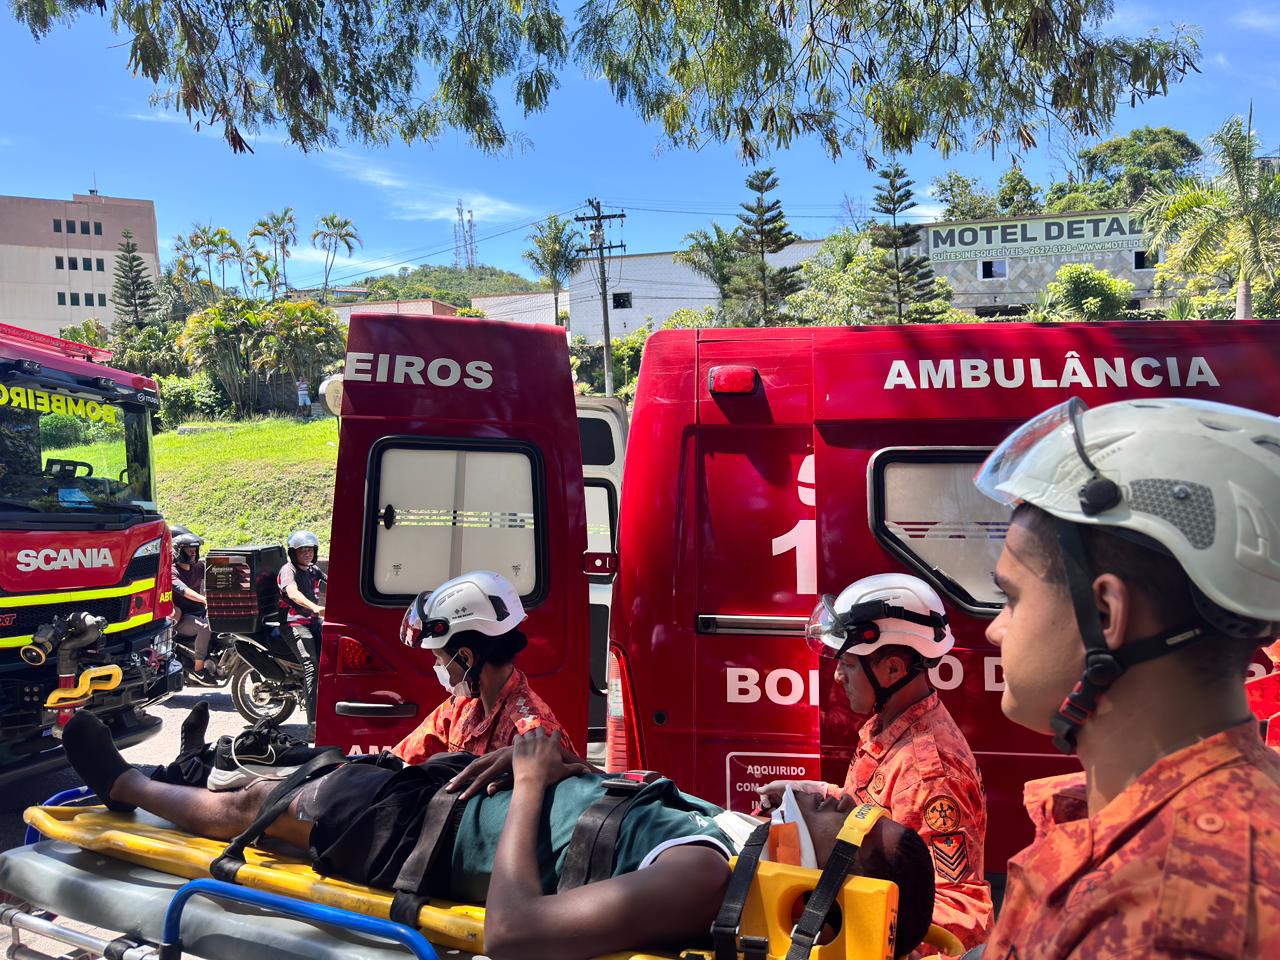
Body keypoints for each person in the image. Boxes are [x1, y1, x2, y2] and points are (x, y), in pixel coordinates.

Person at [62, 714, 938, 960]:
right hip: (451, 804)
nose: (822, 797)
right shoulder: (732, 845)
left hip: (422, 840)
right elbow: (605, 821)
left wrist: (526, 787)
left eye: (835, 810)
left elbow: (515, 935)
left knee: (254, 809)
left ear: (836, 863)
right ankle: (172, 780)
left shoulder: (707, 879)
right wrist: (548, 774)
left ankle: (123, 785)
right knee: (278, 782)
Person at [975, 397, 1280, 959]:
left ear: (1107, 615)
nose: (996, 631)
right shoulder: (1148, 823)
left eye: (1011, 598)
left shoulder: (1163, 914)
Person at [757, 573, 993, 951]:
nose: (837, 676)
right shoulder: (890, 728)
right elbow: (878, 813)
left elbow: (958, 906)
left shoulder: (930, 772)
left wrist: (856, 935)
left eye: (848, 663)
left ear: (894, 669)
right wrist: (814, 794)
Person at [391, 571, 575, 764]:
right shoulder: (460, 708)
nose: (437, 666)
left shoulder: (532, 734)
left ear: (465, 657)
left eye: (439, 658)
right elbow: (404, 757)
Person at [278, 531, 326, 735]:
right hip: (294, 624)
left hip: (314, 622)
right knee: (312, 666)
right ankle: (313, 725)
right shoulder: (289, 571)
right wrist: (314, 607)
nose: (307, 554)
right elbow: (292, 592)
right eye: (302, 551)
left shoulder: (313, 570)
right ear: (293, 553)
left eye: (310, 550)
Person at [170, 525, 216, 686]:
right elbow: (185, 591)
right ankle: (198, 670)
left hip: (200, 612)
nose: (193, 553)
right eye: (189, 550)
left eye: (195, 550)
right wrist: (205, 600)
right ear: (179, 551)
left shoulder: (198, 567)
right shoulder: (172, 572)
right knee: (204, 627)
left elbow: (217, 571)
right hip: (183, 618)